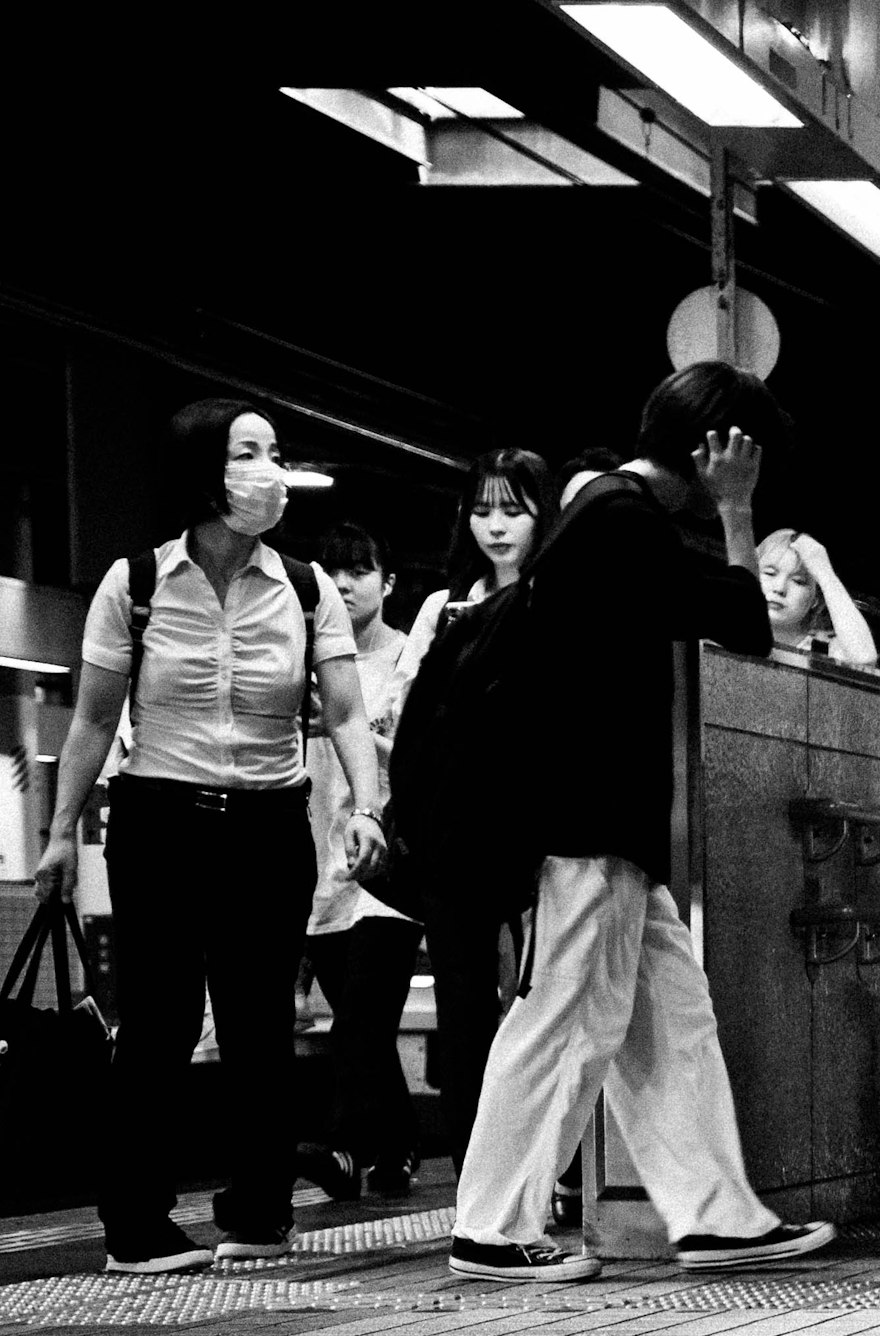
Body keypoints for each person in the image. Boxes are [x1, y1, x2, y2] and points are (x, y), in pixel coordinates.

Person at [444, 363, 835, 1283]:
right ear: (719, 449)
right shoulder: (618, 518)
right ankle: (491, 1228)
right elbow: (744, 618)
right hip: (580, 822)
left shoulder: (617, 516)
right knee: (567, 1020)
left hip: (609, 823)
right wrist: (740, 515)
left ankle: (715, 1215)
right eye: (748, 459)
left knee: (671, 1020)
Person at [33, 399, 390, 1274]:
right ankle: (136, 1226)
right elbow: (91, 719)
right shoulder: (138, 583)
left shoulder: (304, 589)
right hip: (157, 821)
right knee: (157, 1021)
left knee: (260, 1022)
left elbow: (347, 712)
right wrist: (56, 834)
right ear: (203, 468)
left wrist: (368, 806)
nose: (268, 470)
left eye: (274, 451)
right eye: (247, 452)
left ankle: (258, 1211)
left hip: (269, 824)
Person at [391, 449, 556, 1185]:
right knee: (464, 1016)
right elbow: (411, 723)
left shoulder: (559, 599)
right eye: (482, 509)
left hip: (541, 834)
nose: (495, 526)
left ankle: (552, 1171)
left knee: (545, 1006)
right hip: (455, 836)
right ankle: (474, 1183)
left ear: (543, 514)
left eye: (512, 509)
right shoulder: (445, 608)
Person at [296, 520, 424, 1203]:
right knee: (361, 1022)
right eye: (333, 571)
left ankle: (344, 1148)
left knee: (360, 1020)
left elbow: (413, 759)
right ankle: (397, 1144)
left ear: (388, 582)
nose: (344, 584)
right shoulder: (304, 657)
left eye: (360, 570)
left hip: (386, 868)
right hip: (319, 862)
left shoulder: (409, 658)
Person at [757, 528, 879, 668]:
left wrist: (824, 572)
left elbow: (863, 658)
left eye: (798, 581)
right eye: (770, 573)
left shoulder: (825, 649)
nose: (779, 588)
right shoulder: (729, 627)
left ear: (815, 599)